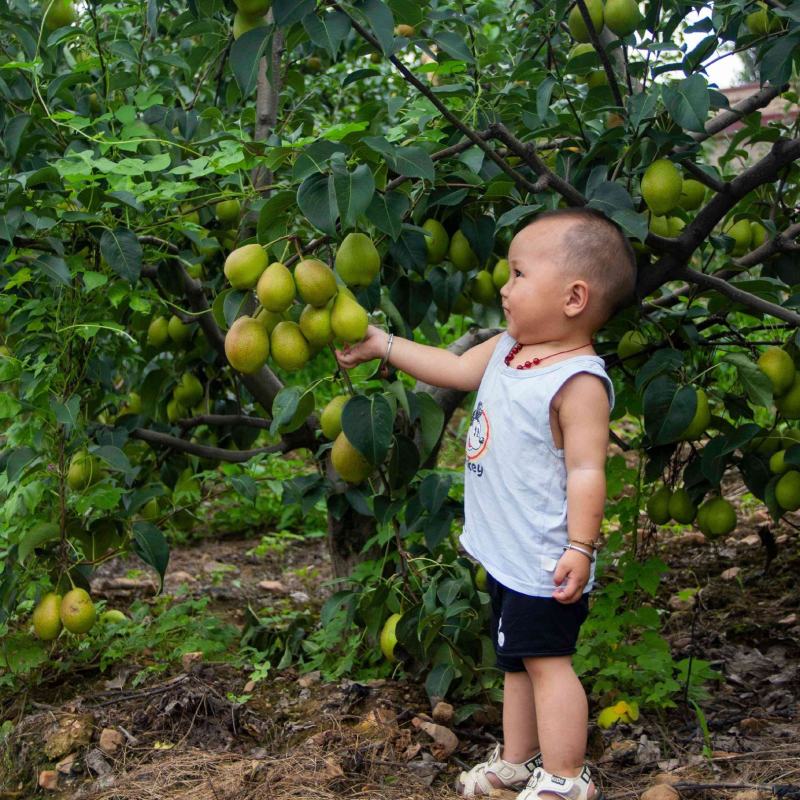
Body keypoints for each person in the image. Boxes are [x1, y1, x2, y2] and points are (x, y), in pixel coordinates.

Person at [335, 208, 637, 800]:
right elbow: (450, 367)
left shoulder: (576, 381)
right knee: (517, 663)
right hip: (506, 552)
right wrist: (383, 345)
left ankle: (566, 777)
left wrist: (580, 545)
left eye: (520, 274)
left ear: (574, 297)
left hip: (545, 557)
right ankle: (520, 760)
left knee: (549, 665)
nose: (504, 286)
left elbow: (586, 470)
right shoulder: (508, 347)